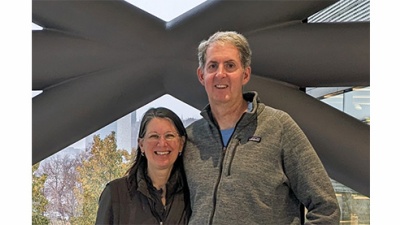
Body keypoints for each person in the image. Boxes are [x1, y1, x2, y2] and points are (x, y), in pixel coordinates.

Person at [183, 31, 340, 224]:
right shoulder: (191, 137)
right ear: (201, 75)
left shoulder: (279, 127)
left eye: (230, 65)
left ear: (245, 74)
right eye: (212, 66)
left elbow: (326, 208)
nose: (220, 74)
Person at [95, 107, 191, 224]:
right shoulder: (115, 193)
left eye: (169, 136)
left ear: (181, 143)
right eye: (154, 136)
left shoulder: (192, 194)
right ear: (141, 145)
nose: (162, 143)